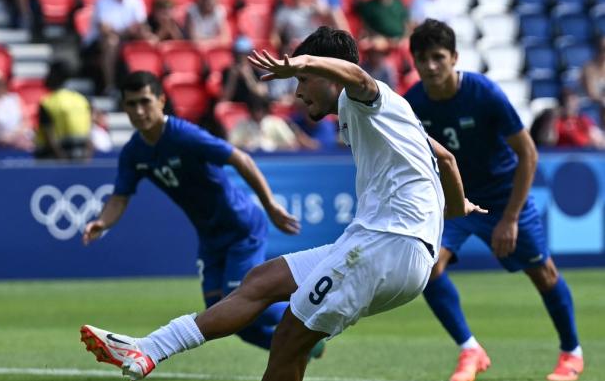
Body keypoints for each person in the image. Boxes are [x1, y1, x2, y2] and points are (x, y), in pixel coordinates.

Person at [80, 26, 480, 381]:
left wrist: (302, 61)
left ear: (326, 72)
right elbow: (444, 158)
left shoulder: (365, 97)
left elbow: (356, 75)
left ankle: (150, 349)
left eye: (303, 80)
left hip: (386, 245)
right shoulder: (387, 114)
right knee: (262, 281)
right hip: (388, 247)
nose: (298, 90)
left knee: (289, 336)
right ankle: (149, 347)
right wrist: (458, 207)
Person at [83, 70, 321, 354]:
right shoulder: (134, 152)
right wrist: (102, 222)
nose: (139, 110)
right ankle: (306, 348)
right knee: (221, 315)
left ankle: (317, 312)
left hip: (239, 227)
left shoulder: (184, 135)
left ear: (161, 101)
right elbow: (119, 197)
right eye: (131, 104)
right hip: (210, 237)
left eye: (145, 101)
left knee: (237, 303)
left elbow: (241, 159)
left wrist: (270, 205)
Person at [403, 19, 584, 381]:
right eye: (422, 59)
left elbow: (528, 153)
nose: (431, 66)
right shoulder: (412, 103)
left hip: (503, 197)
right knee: (427, 269)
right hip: (455, 201)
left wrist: (511, 218)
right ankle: (470, 350)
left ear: (454, 57)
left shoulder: (484, 93)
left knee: (543, 273)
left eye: (438, 57)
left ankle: (571, 354)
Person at [34, 61, 92, 159]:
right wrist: (86, 159)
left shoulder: (48, 102)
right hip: (80, 158)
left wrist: (63, 161)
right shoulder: (82, 100)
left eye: (49, 73)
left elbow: (49, 136)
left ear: (55, 76)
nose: (46, 77)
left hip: (53, 161)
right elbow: (89, 134)